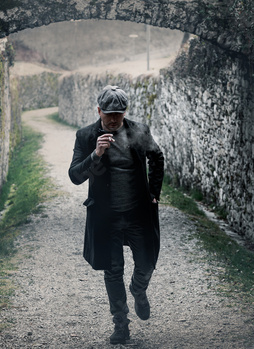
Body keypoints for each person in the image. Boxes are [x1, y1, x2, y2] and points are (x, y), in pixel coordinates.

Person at [68, 85, 164, 345]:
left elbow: (157, 157)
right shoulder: (86, 136)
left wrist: (154, 193)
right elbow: (75, 176)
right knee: (112, 271)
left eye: (118, 114)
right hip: (106, 217)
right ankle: (121, 324)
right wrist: (95, 154)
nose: (112, 119)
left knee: (146, 264)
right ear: (98, 110)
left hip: (137, 214)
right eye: (108, 114)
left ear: (125, 112)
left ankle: (138, 289)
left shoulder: (139, 132)